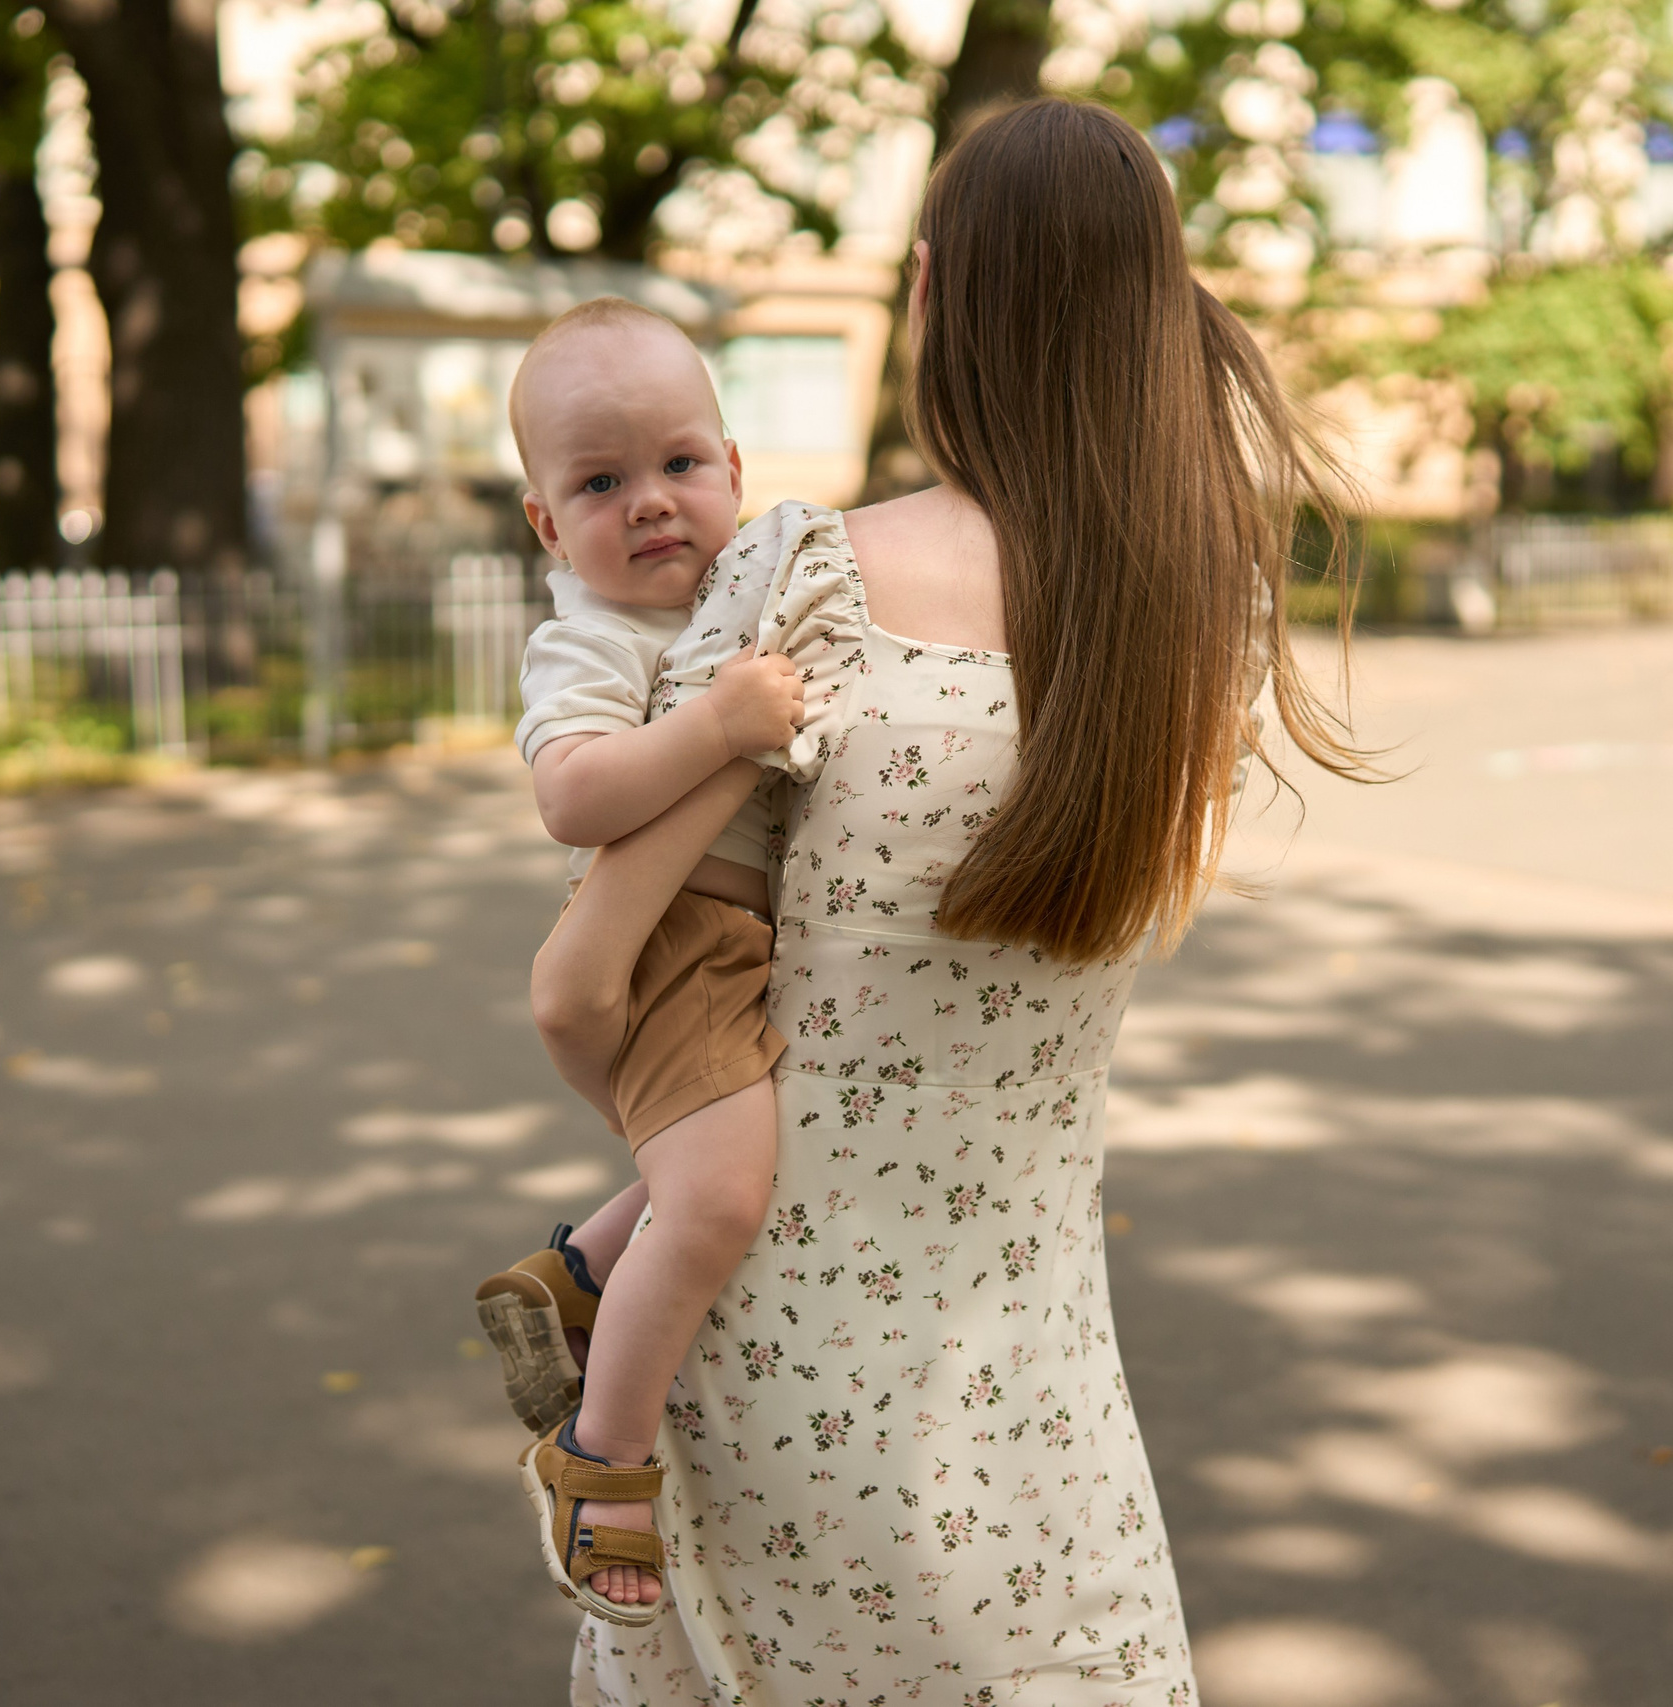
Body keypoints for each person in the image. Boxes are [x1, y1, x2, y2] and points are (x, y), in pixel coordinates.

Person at [536, 99, 1369, 1701]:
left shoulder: (803, 582)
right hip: (1038, 1393)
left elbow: (587, 981)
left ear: (932, 295)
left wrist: (639, 1195)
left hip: (779, 1357)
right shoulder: (1205, 628)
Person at [467, 298, 820, 1629]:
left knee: (726, 1160)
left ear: (735, 468)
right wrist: (722, 723)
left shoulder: (754, 581)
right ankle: (596, 1454)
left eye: (681, 465)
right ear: (551, 529)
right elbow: (574, 796)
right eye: (602, 484)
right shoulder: (589, 637)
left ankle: (574, 1277)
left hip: (743, 939)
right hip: (673, 945)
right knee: (723, 1200)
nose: (654, 505)